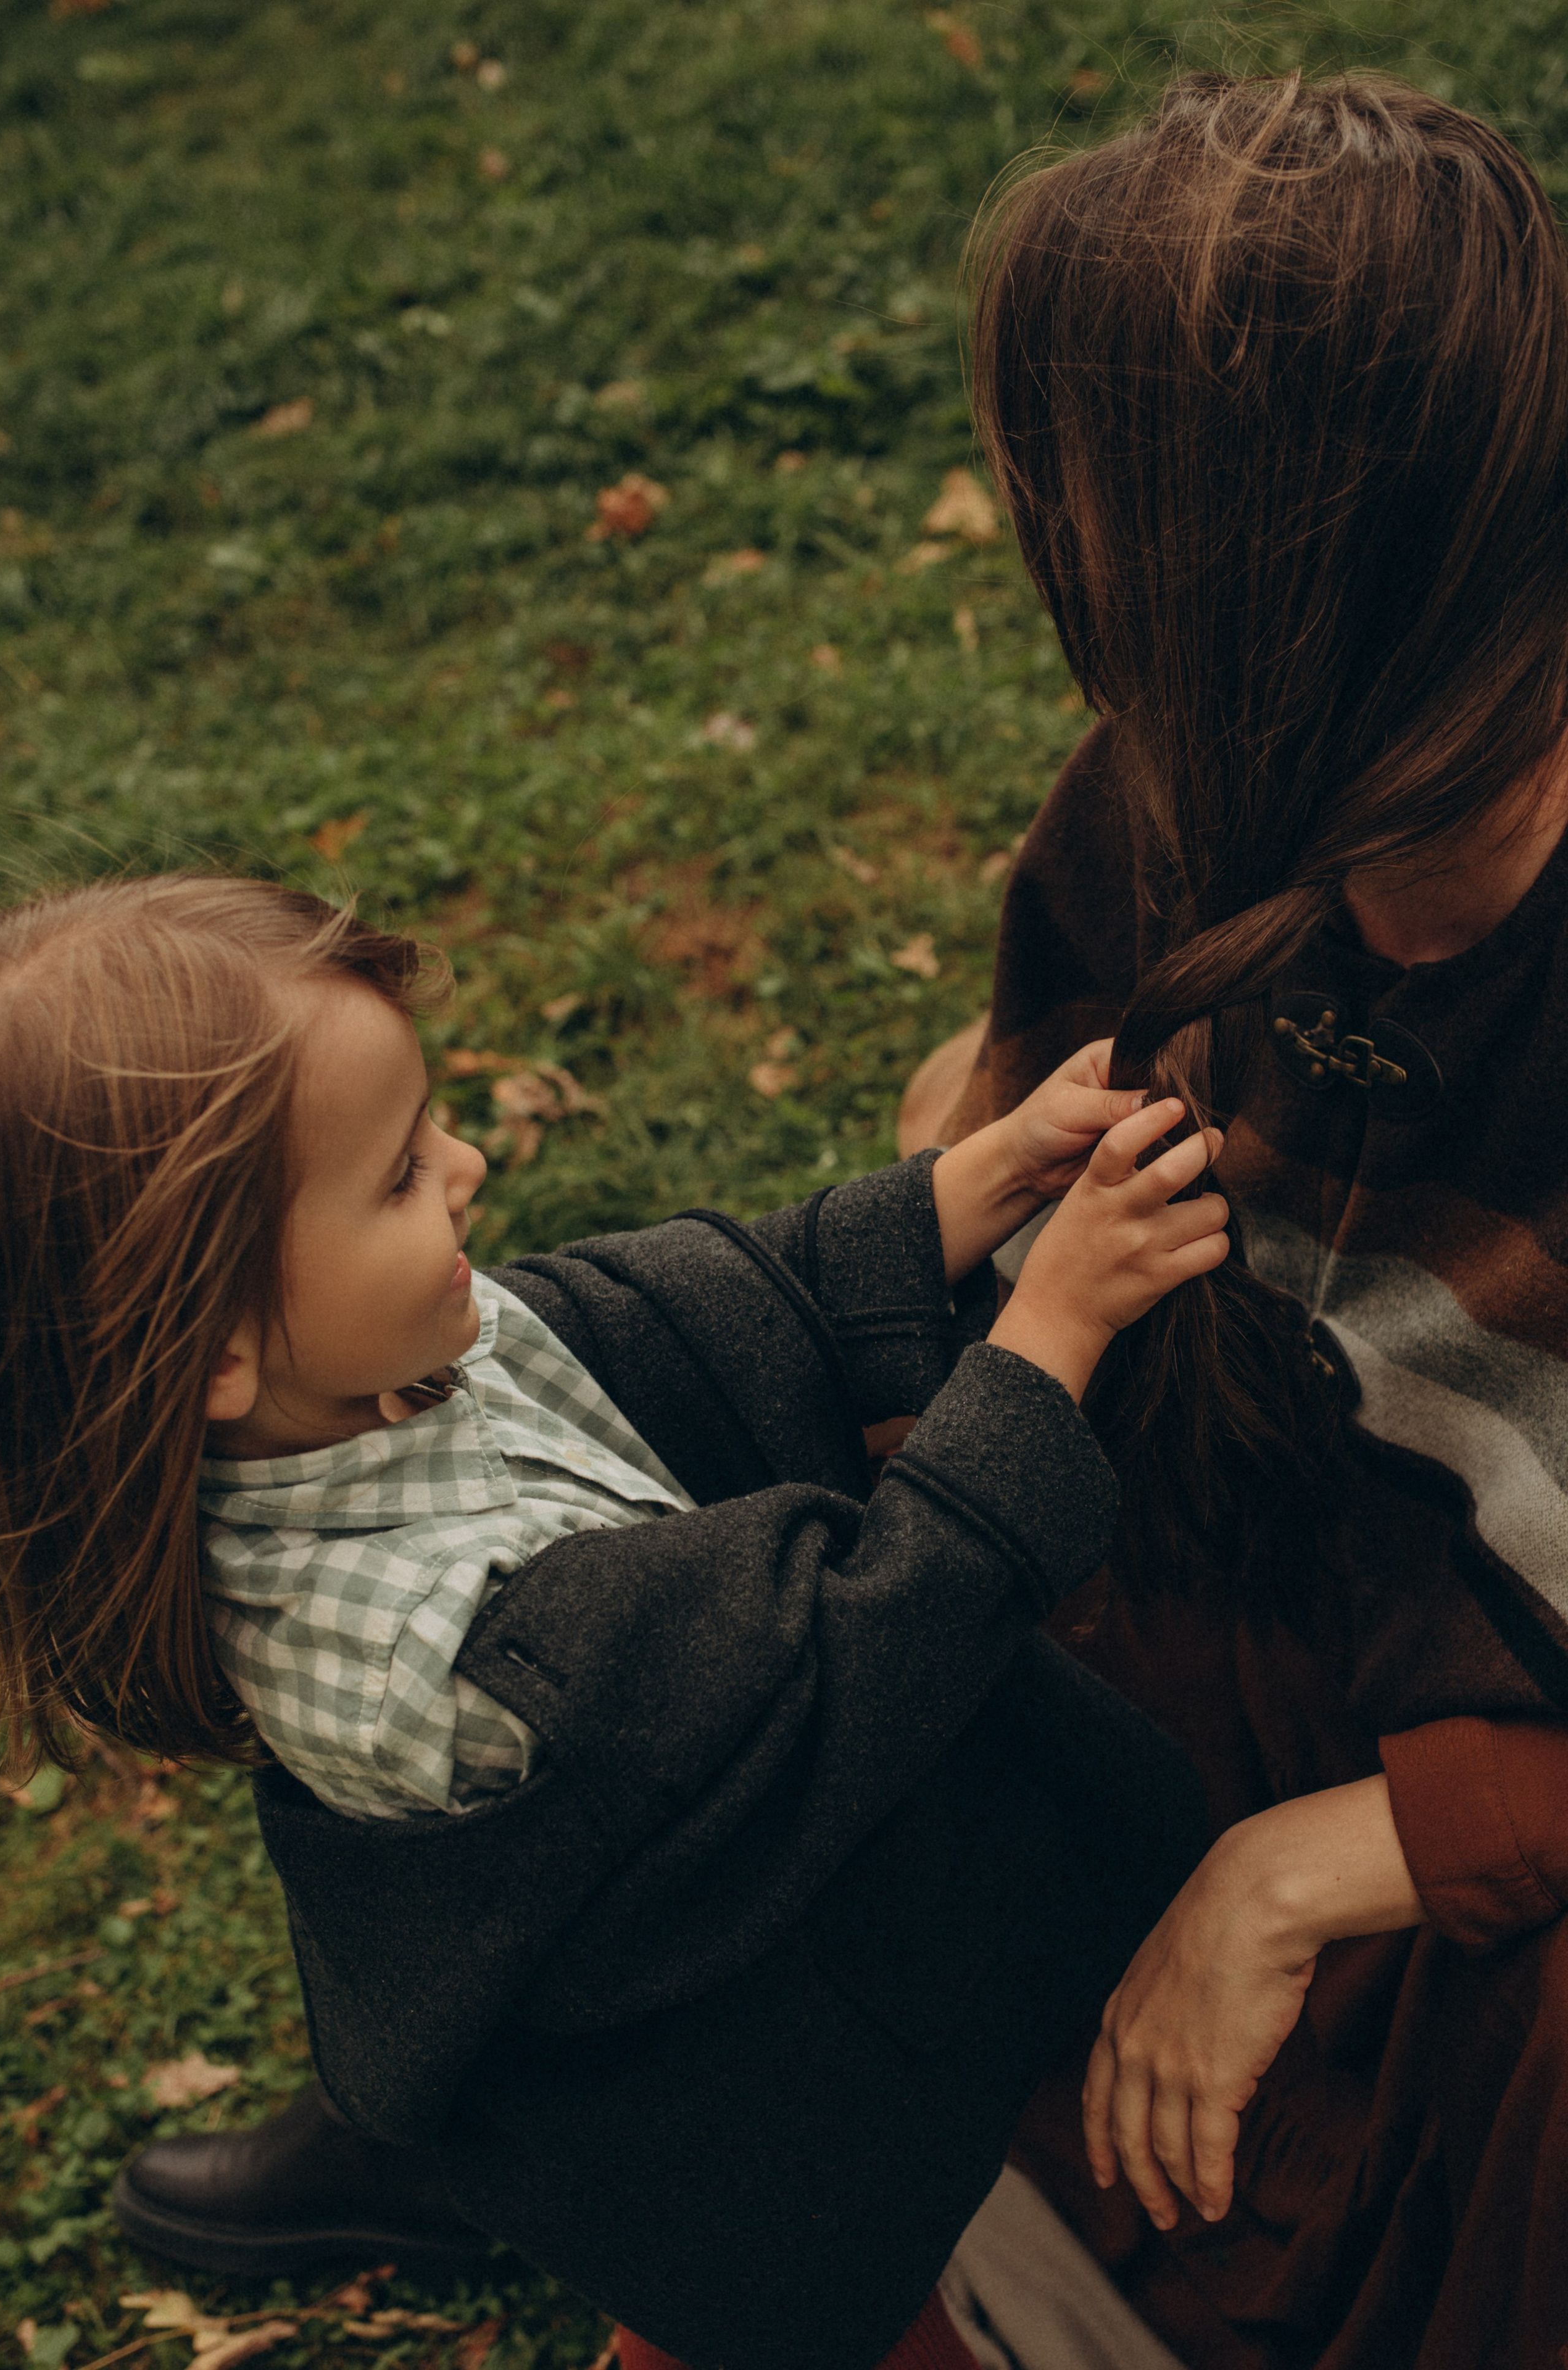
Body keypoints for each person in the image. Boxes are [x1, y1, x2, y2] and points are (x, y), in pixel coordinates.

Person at [0, 873, 1226, 2370]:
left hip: (719, 2016)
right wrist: (1056, 1327)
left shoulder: (359, 1366)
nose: (466, 1166)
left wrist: (974, 1185)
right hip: (723, 2083)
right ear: (216, 1349)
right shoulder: (445, 1643)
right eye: (395, 1175)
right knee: (813, 2305)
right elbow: (851, 1658)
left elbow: (689, 1309)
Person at [900, 68, 1568, 2370]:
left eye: (1098, 524)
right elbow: (991, 1153)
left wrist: (1321, 1862)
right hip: (1278, 1578)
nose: (1062, 575)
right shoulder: (1185, 802)